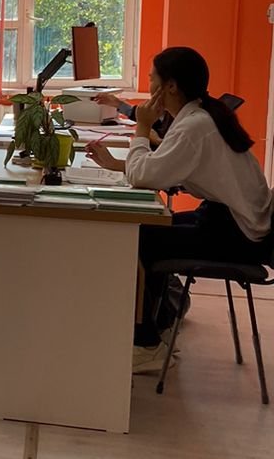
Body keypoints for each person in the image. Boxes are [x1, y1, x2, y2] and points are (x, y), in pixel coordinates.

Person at [85, 47, 274, 374]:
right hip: (229, 221)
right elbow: (163, 169)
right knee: (150, 229)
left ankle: (148, 343)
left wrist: (141, 129)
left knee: (137, 239)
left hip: (238, 234)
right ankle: (160, 328)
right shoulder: (201, 116)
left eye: (151, 79)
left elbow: (146, 176)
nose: (148, 87)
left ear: (170, 86)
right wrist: (120, 165)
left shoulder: (195, 126)